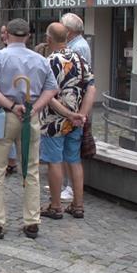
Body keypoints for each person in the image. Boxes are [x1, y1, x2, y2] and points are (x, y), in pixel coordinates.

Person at [0, 18, 58, 240]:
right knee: (31, 169)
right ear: (28, 36)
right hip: (29, 118)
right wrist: (34, 108)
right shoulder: (40, 60)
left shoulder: (0, 58)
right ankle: (32, 220)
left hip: (4, 116)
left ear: (7, 35)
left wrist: (12, 106)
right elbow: (51, 89)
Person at [39, 23, 96, 221]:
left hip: (54, 121)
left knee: (54, 161)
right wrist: (81, 114)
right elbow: (91, 88)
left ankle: (55, 206)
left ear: (49, 39)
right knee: (74, 160)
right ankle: (78, 205)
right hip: (76, 121)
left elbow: (48, 95)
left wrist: (67, 114)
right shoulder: (79, 59)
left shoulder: (49, 62)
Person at [58, 12, 92, 203]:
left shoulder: (78, 48)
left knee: (71, 151)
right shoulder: (76, 45)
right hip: (73, 106)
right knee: (67, 150)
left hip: (73, 107)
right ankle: (66, 185)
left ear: (68, 31)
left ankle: (71, 188)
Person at [0, 24, 18, 176]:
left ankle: (11, 162)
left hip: (10, 104)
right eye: (2, 32)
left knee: (6, 136)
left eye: (6, 32)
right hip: (8, 104)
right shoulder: (1, 53)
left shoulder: (0, 56)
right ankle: (10, 161)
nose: (4, 35)